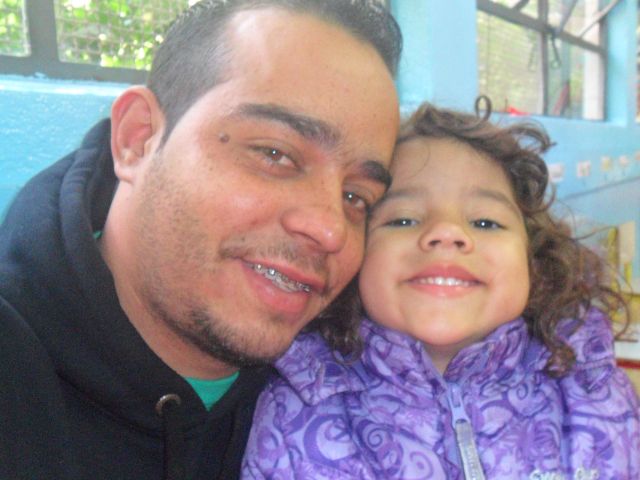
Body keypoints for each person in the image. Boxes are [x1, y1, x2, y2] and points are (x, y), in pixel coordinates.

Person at [0, 1, 402, 479]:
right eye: (275, 154)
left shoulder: (353, 394)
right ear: (137, 138)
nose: (330, 229)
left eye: (357, 197)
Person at [242, 102, 640, 479]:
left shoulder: (593, 390)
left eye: (485, 222)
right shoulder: (293, 413)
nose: (447, 232)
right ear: (354, 255)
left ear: (533, 260)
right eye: (402, 220)